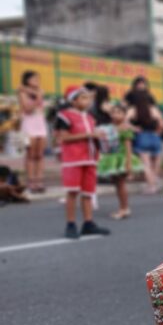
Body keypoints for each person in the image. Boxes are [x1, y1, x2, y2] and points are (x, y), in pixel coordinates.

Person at [54, 85, 111, 239]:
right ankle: (71, 224)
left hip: (90, 159)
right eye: (84, 97)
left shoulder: (90, 118)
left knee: (88, 193)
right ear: (73, 100)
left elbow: (92, 136)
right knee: (72, 192)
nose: (88, 101)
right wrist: (89, 135)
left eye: (88, 97)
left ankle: (88, 223)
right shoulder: (64, 116)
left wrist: (100, 138)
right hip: (73, 160)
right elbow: (63, 138)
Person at [97, 104, 143, 219]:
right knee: (117, 184)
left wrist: (128, 164)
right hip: (112, 157)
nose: (115, 115)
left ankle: (124, 208)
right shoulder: (110, 127)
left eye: (119, 112)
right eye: (113, 112)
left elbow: (128, 147)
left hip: (122, 158)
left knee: (121, 184)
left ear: (124, 114)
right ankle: (123, 207)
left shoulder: (125, 127)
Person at [127, 90, 163, 194]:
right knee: (156, 161)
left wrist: (135, 128)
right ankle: (155, 181)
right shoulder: (153, 109)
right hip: (155, 136)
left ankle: (151, 186)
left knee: (146, 164)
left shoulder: (134, 109)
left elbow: (125, 122)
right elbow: (162, 123)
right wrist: (158, 132)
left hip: (142, 136)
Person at [18, 71, 47, 193]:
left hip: (40, 125)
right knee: (30, 155)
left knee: (39, 155)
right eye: (33, 78)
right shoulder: (22, 93)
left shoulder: (40, 91)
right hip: (29, 125)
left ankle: (39, 181)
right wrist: (38, 98)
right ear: (27, 80)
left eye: (37, 78)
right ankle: (31, 182)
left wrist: (39, 95)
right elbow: (27, 109)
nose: (36, 80)